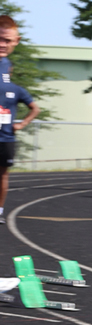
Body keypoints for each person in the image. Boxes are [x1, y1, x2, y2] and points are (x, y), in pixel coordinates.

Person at [0, 75, 40, 225]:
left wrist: (21, 124)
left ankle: (0, 211)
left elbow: (36, 109)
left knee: (3, 176)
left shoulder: (16, 90)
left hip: (6, 139)